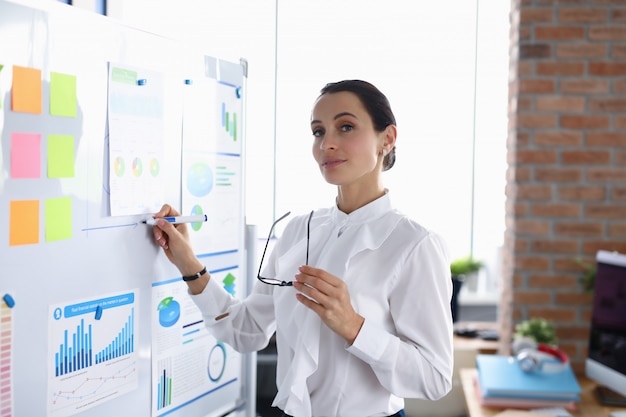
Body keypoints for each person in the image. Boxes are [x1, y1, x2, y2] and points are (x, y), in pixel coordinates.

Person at [151, 80, 453, 417]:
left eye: (346, 127)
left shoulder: (414, 245)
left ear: (387, 138)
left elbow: (435, 377)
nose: (327, 144)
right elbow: (247, 330)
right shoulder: (298, 231)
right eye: (318, 131)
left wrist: (354, 327)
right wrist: (189, 264)